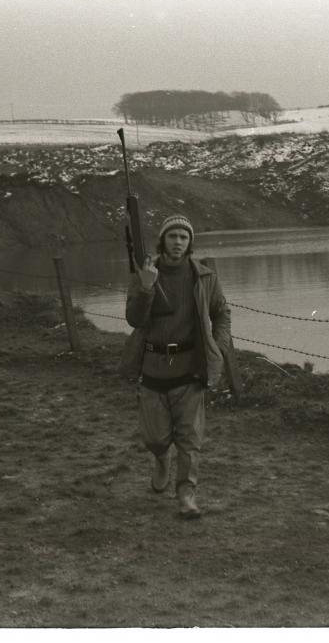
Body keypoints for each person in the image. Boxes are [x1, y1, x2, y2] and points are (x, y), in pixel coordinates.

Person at [118, 214, 231, 519]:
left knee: (190, 440)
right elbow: (134, 319)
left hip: (190, 370)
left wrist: (217, 346)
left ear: (190, 242)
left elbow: (221, 313)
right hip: (153, 369)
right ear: (163, 240)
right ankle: (160, 460)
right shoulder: (144, 274)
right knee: (155, 439)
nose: (178, 242)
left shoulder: (204, 276)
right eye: (173, 236)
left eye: (184, 237)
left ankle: (186, 495)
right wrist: (145, 287)